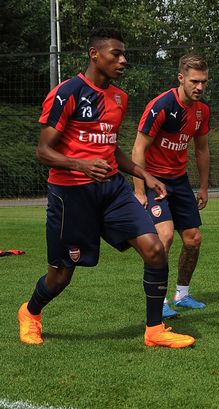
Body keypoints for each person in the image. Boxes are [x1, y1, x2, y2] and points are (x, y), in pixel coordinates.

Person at [17, 27, 195, 348]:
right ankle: (30, 313)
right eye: (116, 54)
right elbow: (43, 151)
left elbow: (110, 149)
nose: (123, 60)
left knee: (155, 249)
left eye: (124, 54)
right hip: (71, 196)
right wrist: (81, 165)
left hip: (112, 190)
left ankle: (154, 330)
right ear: (94, 54)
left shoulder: (119, 98)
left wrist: (144, 173)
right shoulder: (66, 94)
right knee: (61, 275)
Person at [131, 54, 211, 319]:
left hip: (180, 181)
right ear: (181, 78)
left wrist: (203, 187)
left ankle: (182, 294)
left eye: (204, 82)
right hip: (154, 181)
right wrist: (140, 190)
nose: (199, 87)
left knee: (193, 239)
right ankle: (160, 300)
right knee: (163, 236)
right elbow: (138, 149)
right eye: (194, 81)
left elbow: (201, 150)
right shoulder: (161, 106)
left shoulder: (202, 111)